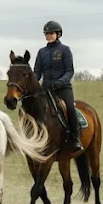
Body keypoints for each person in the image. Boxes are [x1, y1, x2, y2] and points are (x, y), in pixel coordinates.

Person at [35, 20, 82, 154]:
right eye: (46, 33)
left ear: (58, 34)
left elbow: (69, 71)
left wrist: (61, 81)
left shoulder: (65, 50)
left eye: (51, 33)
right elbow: (37, 72)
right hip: (46, 89)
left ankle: (75, 138)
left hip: (63, 88)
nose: (48, 35)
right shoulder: (41, 52)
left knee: (70, 109)